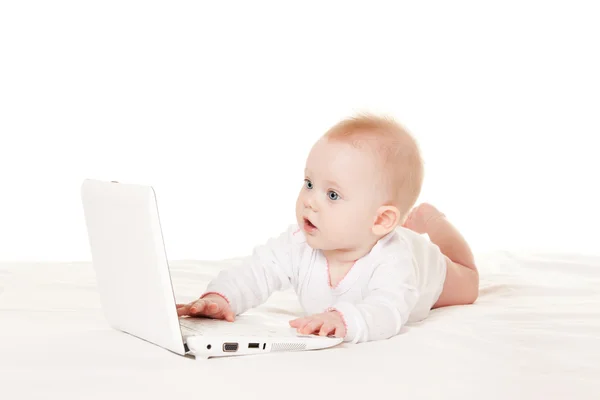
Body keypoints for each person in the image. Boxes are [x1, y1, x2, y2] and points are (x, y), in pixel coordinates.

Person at [177, 114, 479, 343]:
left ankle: (433, 221)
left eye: (332, 195)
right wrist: (221, 298)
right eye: (309, 184)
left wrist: (344, 319)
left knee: (468, 282)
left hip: (429, 271)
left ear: (380, 221)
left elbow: (389, 310)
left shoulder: (394, 259)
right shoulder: (298, 243)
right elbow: (257, 271)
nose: (310, 201)